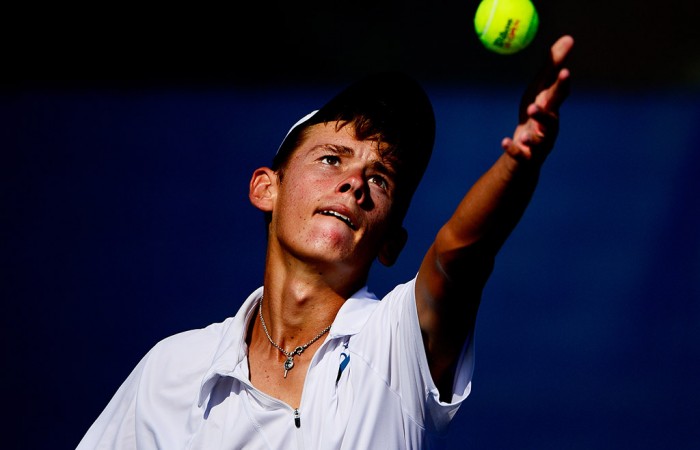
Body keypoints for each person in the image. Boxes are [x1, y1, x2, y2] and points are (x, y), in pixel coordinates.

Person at [77, 35, 574, 449]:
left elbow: (459, 258)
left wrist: (519, 163)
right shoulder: (171, 369)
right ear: (265, 188)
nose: (356, 183)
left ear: (390, 245)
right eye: (332, 159)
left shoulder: (393, 347)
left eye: (379, 180)